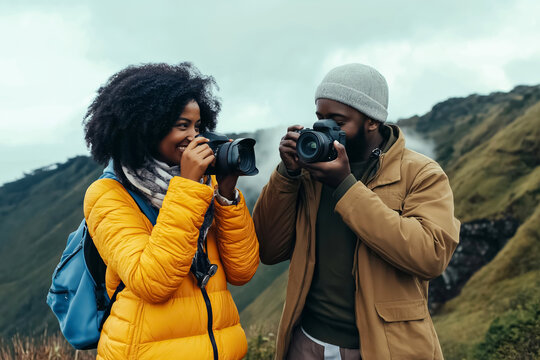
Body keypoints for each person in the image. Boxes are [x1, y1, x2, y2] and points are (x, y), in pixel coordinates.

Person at [253, 63, 460, 359]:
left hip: (381, 348)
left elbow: (431, 255)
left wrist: (345, 187)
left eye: (337, 121)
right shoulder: (311, 172)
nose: (325, 130)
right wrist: (287, 175)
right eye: (320, 119)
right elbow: (269, 250)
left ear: (372, 121)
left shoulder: (421, 173)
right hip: (306, 342)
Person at [83, 62, 259, 359]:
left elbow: (242, 271)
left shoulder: (204, 186)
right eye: (182, 125)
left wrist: (226, 193)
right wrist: (188, 187)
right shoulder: (108, 195)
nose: (194, 136)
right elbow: (152, 281)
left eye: (198, 126)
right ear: (147, 127)